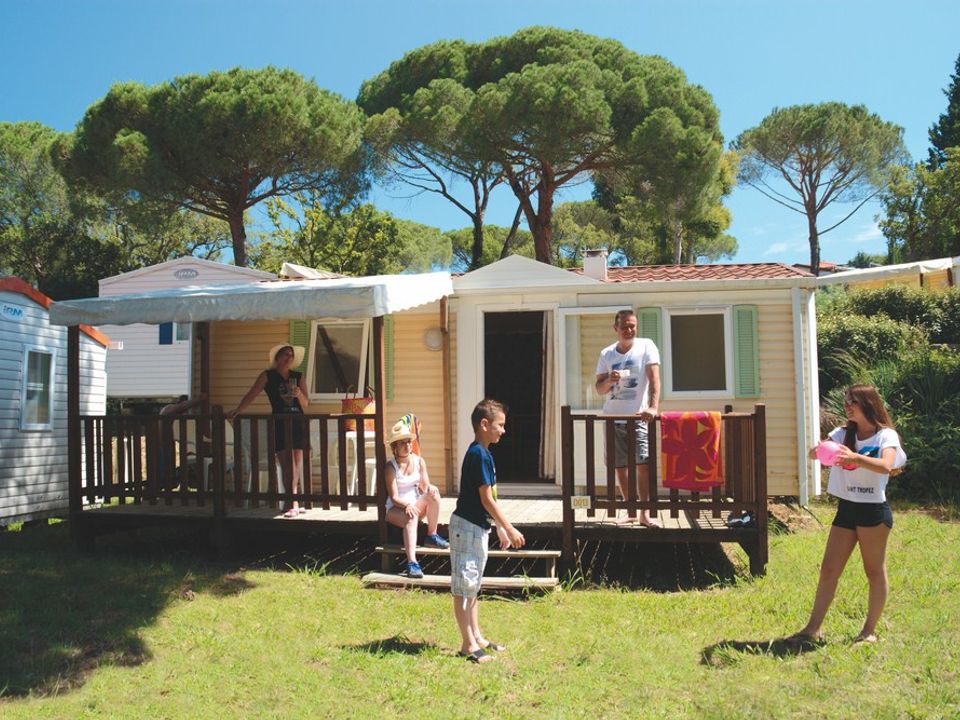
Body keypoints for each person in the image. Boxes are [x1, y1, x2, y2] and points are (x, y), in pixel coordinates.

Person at [788, 384, 906, 646]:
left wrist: (855, 458)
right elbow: (817, 452)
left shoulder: (885, 436)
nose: (847, 406)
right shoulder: (842, 433)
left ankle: (868, 632)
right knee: (829, 570)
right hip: (847, 509)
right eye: (846, 402)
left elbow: (886, 465)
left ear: (868, 404)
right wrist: (819, 450)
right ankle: (812, 629)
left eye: (853, 401)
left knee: (873, 571)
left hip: (873, 510)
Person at [449, 399, 525, 664]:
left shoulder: (486, 454)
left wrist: (497, 527)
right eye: (500, 425)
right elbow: (486, 499)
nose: (503, 430)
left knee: (473, 585)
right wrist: (509, 527)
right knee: (464, 587)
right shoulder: (478, 455)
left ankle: (477, 636)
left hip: (478, 528)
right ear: (484, 424)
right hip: (466, 528)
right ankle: (467, 644)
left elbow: (490, 496)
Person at [594, 309, 661, 527]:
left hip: (638, 417)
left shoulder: (647, 346)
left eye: (632, 326)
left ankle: (645, 514)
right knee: (620, 466)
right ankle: (630, 510)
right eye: (624, 327)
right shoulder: (607, 354)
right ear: (616, 328)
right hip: (613, 418)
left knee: (643, 463)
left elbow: (654, 379)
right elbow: (599, 389)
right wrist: (610, 381)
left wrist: (653, 407)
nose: (629, 330)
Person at [226, 344, 310, 518]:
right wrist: (238, 410)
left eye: (291, 355)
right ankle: (291, 502)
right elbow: (252, 393)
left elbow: (306, 404)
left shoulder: (298, 376)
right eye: (285, 354)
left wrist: (299, 394)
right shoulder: (268, 376)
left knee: (296, 464)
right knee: (287, 464)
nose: (289, 358)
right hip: (280, 422)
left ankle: (292, 502)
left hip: (297, 422)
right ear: (277, 357)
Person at [384, 417, 449, 579]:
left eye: (409, 442)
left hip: (414, 506)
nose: (407, 445)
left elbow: (425, 486)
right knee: (411, 516)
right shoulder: (391, 467)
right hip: (396, 509)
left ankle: (432, 535)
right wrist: (406, 505)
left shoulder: (419, 461)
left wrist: (431, 488)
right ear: (394, 447)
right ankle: (412, 562)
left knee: (433, 495)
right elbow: (394, 497)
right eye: (402, 443)